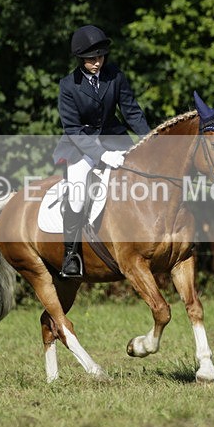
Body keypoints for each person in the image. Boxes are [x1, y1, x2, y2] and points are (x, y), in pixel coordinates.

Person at [52, 25, 151, 279]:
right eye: (91, 59)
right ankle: (71, 255)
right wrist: (100, 155)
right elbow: (73, 129)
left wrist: (150, 140)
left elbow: (131, 112)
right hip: (80, 146)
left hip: (115, 139)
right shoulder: (68, 86)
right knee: (76, 193)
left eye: (100, 57)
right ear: (80, 59)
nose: (97, 63)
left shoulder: (114, 76)